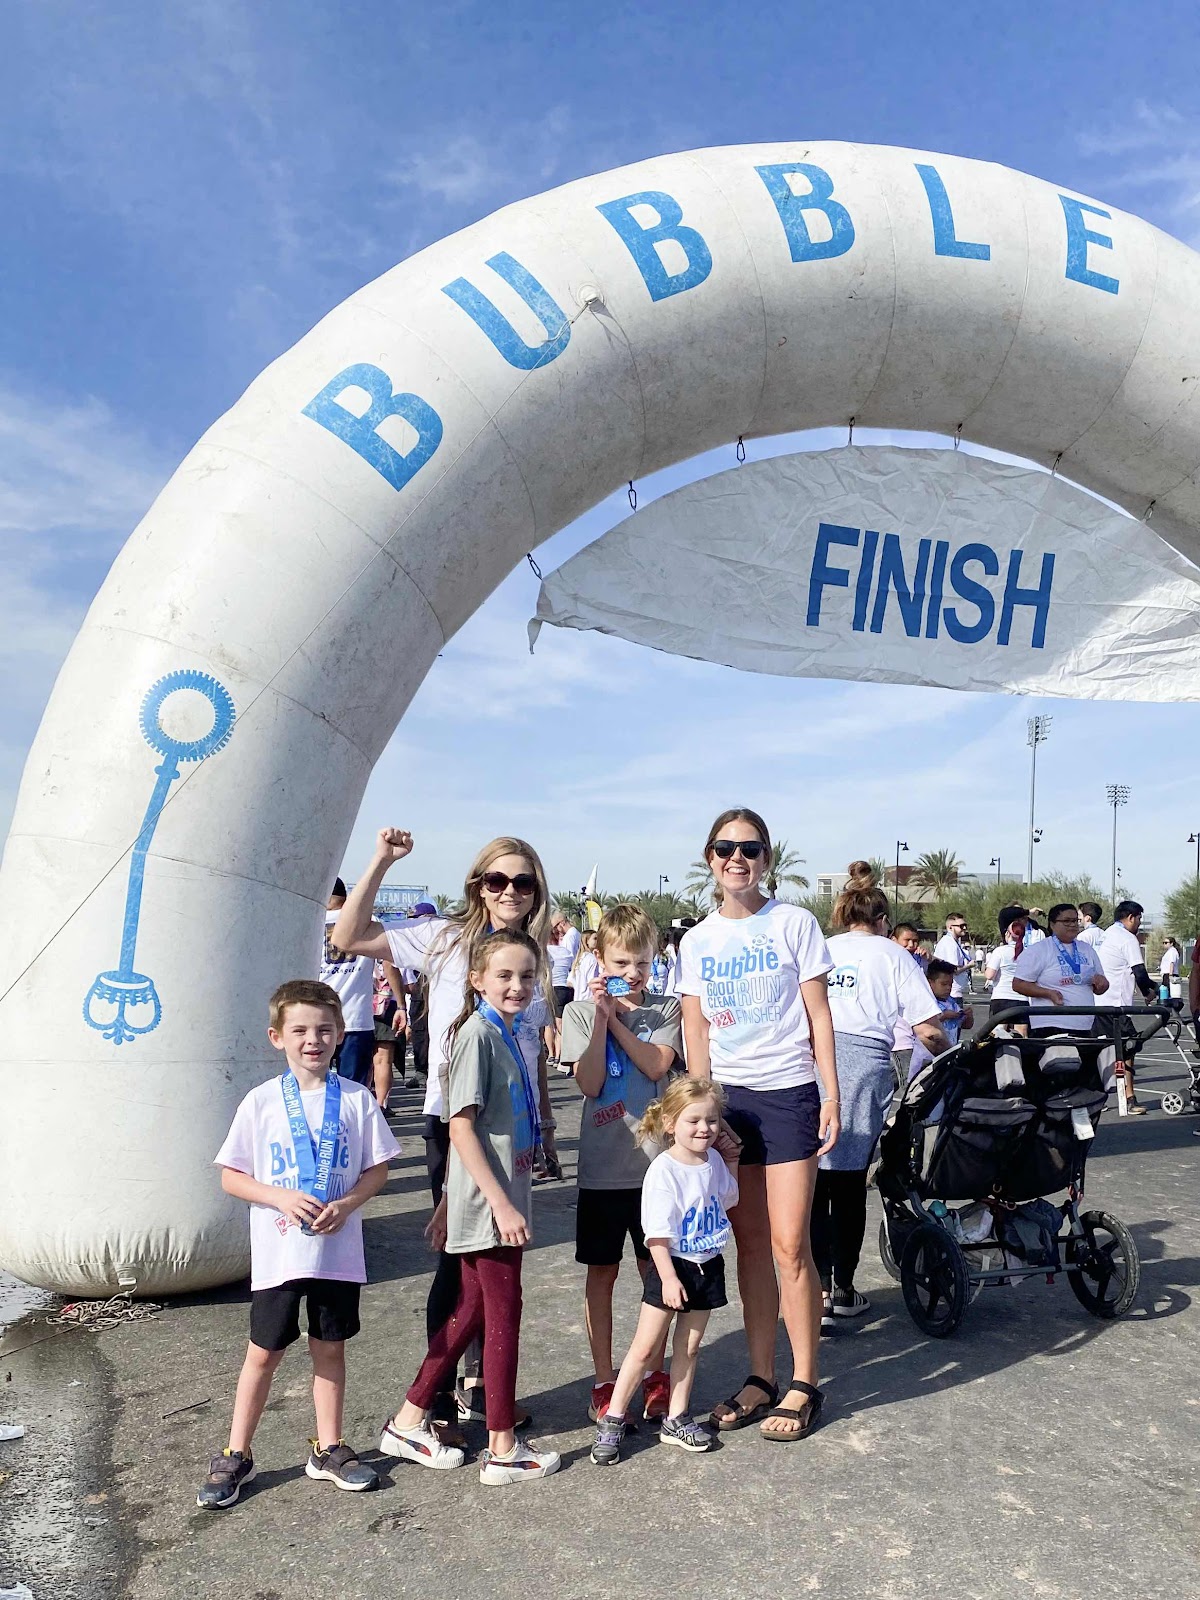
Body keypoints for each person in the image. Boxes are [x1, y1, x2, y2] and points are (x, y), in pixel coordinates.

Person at [332, 830, 552, 1444]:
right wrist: (382, 861)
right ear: (478, 885)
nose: (510, 891)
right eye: (498, 880)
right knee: (459, 1267)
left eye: (523, 881)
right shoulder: (444, 939)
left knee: (489, 1271)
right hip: (456, 1122)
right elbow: (347, 936)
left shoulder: (532, 958)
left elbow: (532, 1051)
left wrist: (546, 1125)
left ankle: (479, 1389)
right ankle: (433, 1403)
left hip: (511, 1132)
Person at [196, 980, 400, 1509]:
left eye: (325, 1030)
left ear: (341, 1034)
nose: (314, 1040)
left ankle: (328, 1448)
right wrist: (279, 1197)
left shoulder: (355, 1099)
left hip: (337, 1252)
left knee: (330, 1347)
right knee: (264, 1352)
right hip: (279, 1254)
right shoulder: (261, 1101)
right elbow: (231, 1176)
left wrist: (348, 1204)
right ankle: (236, 1452)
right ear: (277, 1037)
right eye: (301, 1030)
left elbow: (377, 1169)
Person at [680, 807, 839, 1442]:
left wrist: (830, 1093)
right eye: (725, 848)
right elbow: (695, 1029)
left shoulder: (794, 923)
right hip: (730, 1101)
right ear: (710, 858)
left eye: (749, 848)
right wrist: (703, 1109)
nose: (736, 858)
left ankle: (804, 1381)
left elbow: (819, 1014)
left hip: (789, 1094)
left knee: (789, 1244)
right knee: (747, 1245)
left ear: (766, 858)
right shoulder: (696, 940)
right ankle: (761, 1377)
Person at [379, 930, 561, 1485]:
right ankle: (502, 1445)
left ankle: (409, 1417)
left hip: (493, 1195)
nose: (517, 985)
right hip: (491, 1202)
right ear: (477, 979)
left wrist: (450, 1204)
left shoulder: (504, 1031)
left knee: (474, 1311)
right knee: (503, 1314)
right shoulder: (478, 1034)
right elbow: (459, 1126)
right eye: (504, 975)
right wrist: (499, 1205)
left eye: (526, 975)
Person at [559, 904, 682, 1423]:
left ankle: (653, 1371)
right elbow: (589, 1083)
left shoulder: (666, 1008)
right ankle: (605, 1378)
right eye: (622, 963)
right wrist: (599, 1020)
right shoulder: (578, 1013)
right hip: (602, 1170)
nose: (633, 974)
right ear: (599, 959)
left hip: (657, 1170)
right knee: (602, 1274)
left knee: (656, 1271)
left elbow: (656, 1065)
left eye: (643, 963)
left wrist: (619, 1022)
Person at [818, 866, 948, 1328]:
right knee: (848, 1182)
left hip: (810, 1057)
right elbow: (927, 1028)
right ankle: (842, 1288)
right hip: (861, 1064)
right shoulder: (893, 955)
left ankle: (815, 1289)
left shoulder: (823, 948)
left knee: (814, 1181)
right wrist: (953, 1056)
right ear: (883, 919)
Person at [590, 1078, 737, 1465]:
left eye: (712, 1120)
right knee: (645, 1348)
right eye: (694, 1121)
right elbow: (655, 1234)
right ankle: (613, 1418)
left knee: (688, 1347)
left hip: (708, 1265)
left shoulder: (714, 1161)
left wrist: (732, 1160)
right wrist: (669, 1278)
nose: (704, 1129)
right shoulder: (663, 1170)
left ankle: (676, 1417)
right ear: (670, 1124)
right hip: (671, 1267)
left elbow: (728, 1198)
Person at [1097, 900, 1157, 1115]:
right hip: (1115, 1006)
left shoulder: (1107, 934)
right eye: (1139, 918)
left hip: (1098, 1005)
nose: (1139, 923)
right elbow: (1139, 972)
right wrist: (1152, 990)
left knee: (1100, 1052)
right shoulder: (1127, 938)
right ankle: (1129, 1099)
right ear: (1131, 917)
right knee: (1129, 1049)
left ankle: (1096, 1098)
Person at [1012, 904, 1108, 1030]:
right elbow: (1018, 984)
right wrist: (1048, 993)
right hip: (1051, 1024)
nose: (1073, 925)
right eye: (1067, 921)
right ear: (1052, 924)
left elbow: (1101, 987)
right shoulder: (1038, 950)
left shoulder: (1087, 949)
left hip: (1085, 1026)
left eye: (1075, 920)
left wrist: (1102, 984)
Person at [320, 879, 377, 1086]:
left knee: (314, 1084)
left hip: (318, 1016)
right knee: (354, 1088)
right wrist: (400, 1004)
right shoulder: (368, 920)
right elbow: (389, 965)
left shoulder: (311, 921)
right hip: (356, 1017)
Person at [371, 958, 407, 1107]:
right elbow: (389, 964)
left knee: (363, 1058)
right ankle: (380, 1105)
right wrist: (401, 1006)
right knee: (383, 1059)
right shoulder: (384, 944)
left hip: (358, 1000)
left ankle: (368, 1103)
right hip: (386, 1002)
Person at [985, 906, 1029, 1022]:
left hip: (1002, 997)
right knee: (1021, 1032)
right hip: (1022, 999)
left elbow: (990, 975)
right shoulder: (1028, 953)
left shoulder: (1000, 951)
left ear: (1008, 934)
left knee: (999, 1030)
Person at [933, 912, 975, 1022]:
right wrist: (969, 966)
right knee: (954, 1026)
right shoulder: (950, 944)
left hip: (953, 991)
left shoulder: (952, 942)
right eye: (961, 926)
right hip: (952, 993)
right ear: (950, 927)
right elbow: (953, 970)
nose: (964, 928)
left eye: (965, 925)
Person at [548, 913, 582, 1016]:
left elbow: (567, 958)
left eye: (555, 927)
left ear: (562, 923)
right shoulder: (576, 933)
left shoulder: (569, 937)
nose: (555, 931)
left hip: (564, 982)